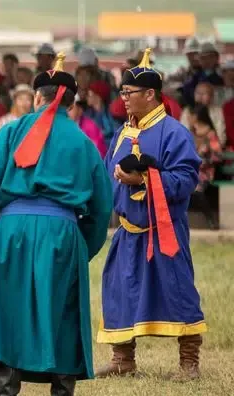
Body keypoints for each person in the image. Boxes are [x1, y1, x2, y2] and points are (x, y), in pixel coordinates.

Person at [0, 52, 112, 396]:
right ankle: (62, 387)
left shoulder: (9, 132)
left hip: (10, 231)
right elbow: (102, 204)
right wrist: (85, 247)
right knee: (62, 310)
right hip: (62, 233)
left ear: (38, 97)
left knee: (9, 306)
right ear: (71, 102)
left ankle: (6, 385)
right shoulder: (84, 142)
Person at [97, 49, 206, 381]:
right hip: (128, 230)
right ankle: (122, 358)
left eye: (129, 93)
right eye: (123, 93)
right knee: (119, 288)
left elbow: (187, 178)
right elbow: (106, 172)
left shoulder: (175, 133)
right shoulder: (122, 132)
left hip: (164, 229)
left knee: (177, 289)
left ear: (150, 94)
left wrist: (144, 177)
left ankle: (189, 363)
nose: (124, 99)